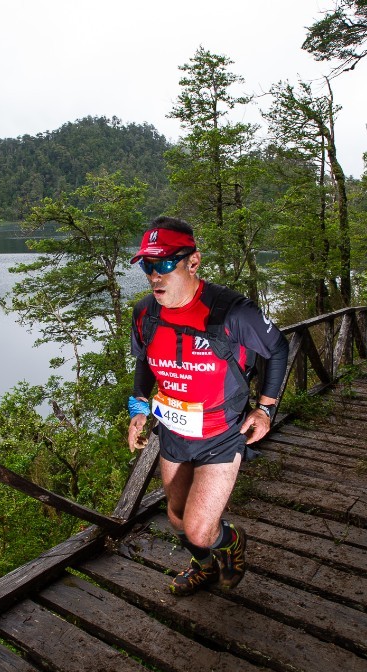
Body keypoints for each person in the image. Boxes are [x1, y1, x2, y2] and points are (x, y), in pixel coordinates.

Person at [127, 216, 289, 595]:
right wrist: (137, 409)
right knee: (178, 518)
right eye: (148, 265)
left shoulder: (233, 311)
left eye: (165, 263)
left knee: (201, 528)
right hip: (173, 430)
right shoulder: (144, 314)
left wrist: (265, 409)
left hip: (221, 433)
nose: (154, 275)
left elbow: (278, 347)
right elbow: (143, 363)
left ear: (193, 262)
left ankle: (231, 543)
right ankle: (203, 566)